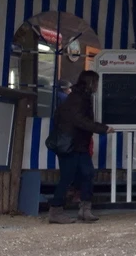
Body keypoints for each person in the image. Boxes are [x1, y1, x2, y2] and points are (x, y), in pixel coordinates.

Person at [46, 70, 110, 224]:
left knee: (87, 174)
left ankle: (85, 209)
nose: (97, 86)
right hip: (71, 145)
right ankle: (55, 211)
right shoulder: (78, 99)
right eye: (96, 82)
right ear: (90, 82)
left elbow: (61, 117)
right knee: (68, 177)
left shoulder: (77, 97)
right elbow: (80, 120)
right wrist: (103, 128)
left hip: (77, 144)